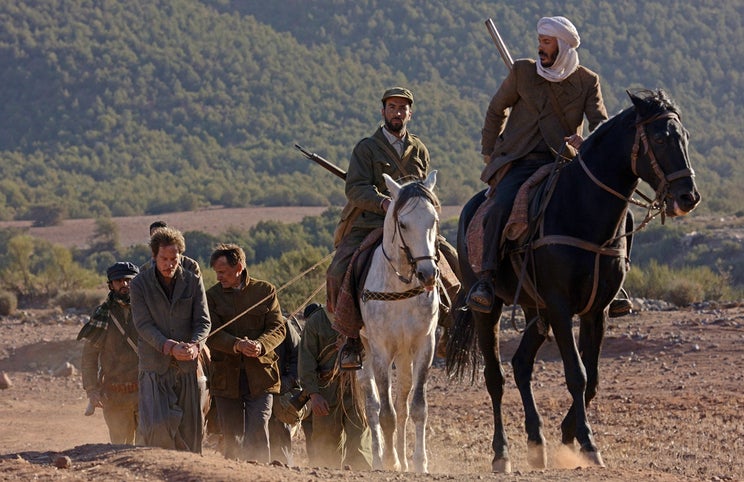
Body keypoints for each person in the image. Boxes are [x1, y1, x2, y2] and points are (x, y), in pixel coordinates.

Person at [467, 16, 632, 317]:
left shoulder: (587, 81)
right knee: (501, 205)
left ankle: (615, 283)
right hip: (519, 161)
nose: (540, 47)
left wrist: (588, 143)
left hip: (565, 163)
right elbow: (495, 109)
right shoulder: (522, 72)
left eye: (546, 42)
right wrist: (490, 151)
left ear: (563, 45)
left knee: (618, 211)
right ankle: (487, 280)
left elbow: (600, 124)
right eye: (540, 41)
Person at [326, 86, 460, 370]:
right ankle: (350, 338)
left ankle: (452, 326)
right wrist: (384, 203)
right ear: (383, 111)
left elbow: (424, 188)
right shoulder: (366, 148)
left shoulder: (419, 149)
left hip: (411, 226)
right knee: (338, 271)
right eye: (392, 107)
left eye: (402, 108)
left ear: (410, 113)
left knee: (453, 261)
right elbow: (356, 188)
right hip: (373, 221)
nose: (397, 113)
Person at [130, 227, 211, 453]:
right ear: (154, 256)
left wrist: (195, 345)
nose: (169, 264)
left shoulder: (193, 281)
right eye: (163, 259)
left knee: (192, 430)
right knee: (157, 428)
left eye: (174, 259)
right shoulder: (139, 285)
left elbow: (204, 321)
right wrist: (169, 346)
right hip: (155, 366)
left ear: (180, 256)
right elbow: (143, 325)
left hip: (188, 365)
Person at [205, 243, 286, 462]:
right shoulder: (211, 296)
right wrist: (237, 345)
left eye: (223, 272)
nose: (219, 277)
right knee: (232, 438)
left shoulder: (265, 291)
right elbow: (210, 333)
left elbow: (278, 329)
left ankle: (259, 473)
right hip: (225, 378)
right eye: (217, 272)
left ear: (239, 267)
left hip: (261, 376)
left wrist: (260, 345)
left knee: (258, 428)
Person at [298, 303, 372, 469]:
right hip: (326, 389)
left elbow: (378, 349)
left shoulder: (363, 317)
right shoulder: (317, 320)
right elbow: (306, 361)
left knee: (360, 444)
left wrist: (352, 350)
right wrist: (314, 395)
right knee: (325, 450)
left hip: (356, 385)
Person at [78, 261, 141, 445]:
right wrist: (91, 390)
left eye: (129, 280)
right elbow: (89, 357)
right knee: (120, 447)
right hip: (115, 396)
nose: (125, 284)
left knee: (148, 447)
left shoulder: (148, 311)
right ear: (111, 285)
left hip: (146, 392)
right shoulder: (102, 315)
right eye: (119, 281)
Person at [267, 314, 302, 464]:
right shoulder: (241, 318)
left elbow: (298, 353)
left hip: (278, 389)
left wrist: (288, 381)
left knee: (279, 432)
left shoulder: (281, 322)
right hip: (250, 391)